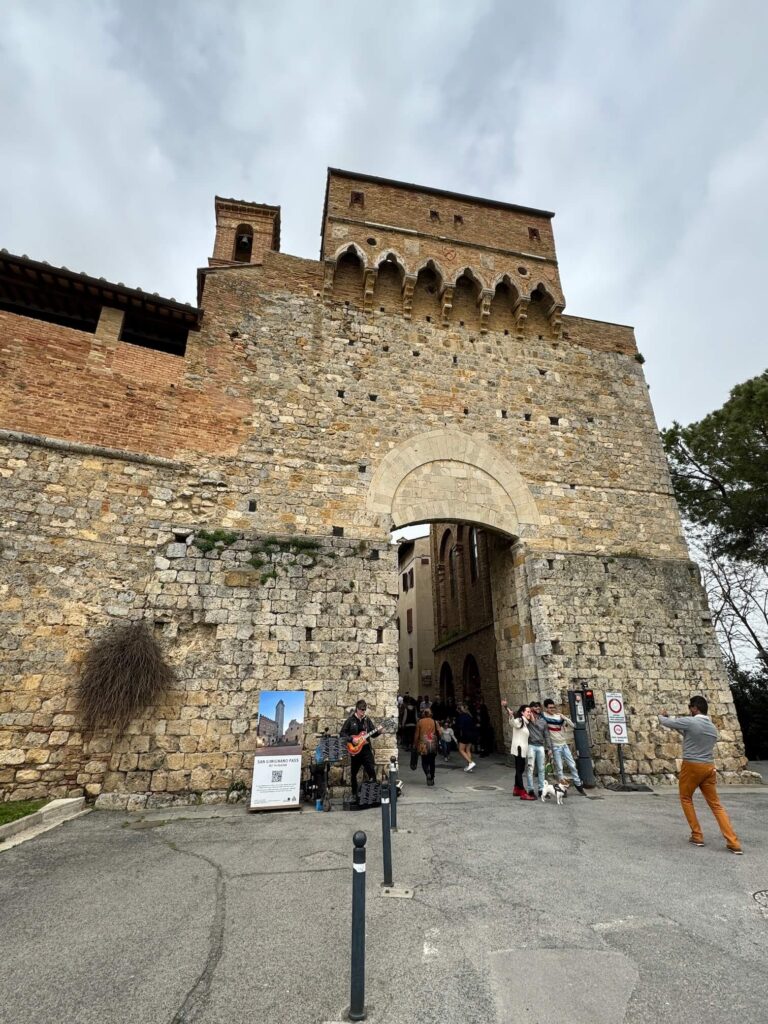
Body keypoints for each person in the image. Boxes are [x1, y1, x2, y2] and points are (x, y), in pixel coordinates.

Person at [659, 696, 743, 854]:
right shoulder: (712, 728)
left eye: (690, 707)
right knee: (716, 805)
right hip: (709, 768)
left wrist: (661, 716)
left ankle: (697, 835)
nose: (689, 710)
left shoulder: (691, 722)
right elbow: (686, 732)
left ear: (695, 708)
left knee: (686, 798)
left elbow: (668, 723)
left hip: (692, 766)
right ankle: (733, 842)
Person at [541, 698, 586, 795]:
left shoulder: (558, 717)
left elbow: (572, 725)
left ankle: (578, 785)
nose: (552, 709)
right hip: (555, 746)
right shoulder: (544, 716)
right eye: (550, 708)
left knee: (572, 765)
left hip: (564, 744)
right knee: (559, 768)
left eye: (553, 707)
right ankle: (562, 788)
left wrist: (564, 717)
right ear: (546, 708)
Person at [340, 700, 377, 800]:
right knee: (353, 774)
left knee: (372, 771)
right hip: (355, 751)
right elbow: (342, 733)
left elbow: (373, 734)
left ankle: (372, 794)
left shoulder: (367, 720)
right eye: (361, 710)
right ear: (357, 709)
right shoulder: (350, 720)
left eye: (364, 710)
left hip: (366, 750)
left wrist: (379, 731)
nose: (363, 712)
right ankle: (354, 794)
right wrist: (352, 739)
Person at [501, 700, 536, 800]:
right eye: (528, 711)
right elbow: (513, 721)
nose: (529, 713)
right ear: (522, 712)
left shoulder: (525, 723)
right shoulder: (520, 721)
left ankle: (516, 788)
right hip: (519, 749)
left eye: (530, 711)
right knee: (519, 770)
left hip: (522, 749)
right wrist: (508, 710)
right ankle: (522, 791)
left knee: (520, 769)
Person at [525, 701, 553, 798]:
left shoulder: (542, 721)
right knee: (530, 768)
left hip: (540, 746)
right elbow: (518, 716)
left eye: (538, 707)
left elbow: (547, 735)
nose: (537, 708)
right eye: (535, 707)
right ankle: (530, 789)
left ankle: (541, 789)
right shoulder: (527, 720)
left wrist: (549, 748)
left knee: (541, 769)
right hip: (531, 745)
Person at [412, 708, 441, 786]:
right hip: (433, 744)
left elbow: (416, 735)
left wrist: (415, 744)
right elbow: (440, 733)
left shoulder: (420, 722)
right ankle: (432, 778)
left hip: (423, 744)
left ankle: (427, 773)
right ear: (431, 714)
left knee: (424, 761)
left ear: (423, 714)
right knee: (432, 762)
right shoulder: (435, 722)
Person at [455, 702, 477, 772]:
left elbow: (460, 727)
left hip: (464, 735)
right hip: (471, 735)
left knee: (461, 749)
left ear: (459, 710)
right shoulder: (469, 716)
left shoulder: (461, 717)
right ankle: (470, 767)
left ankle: (470, 763)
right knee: (467, 750)